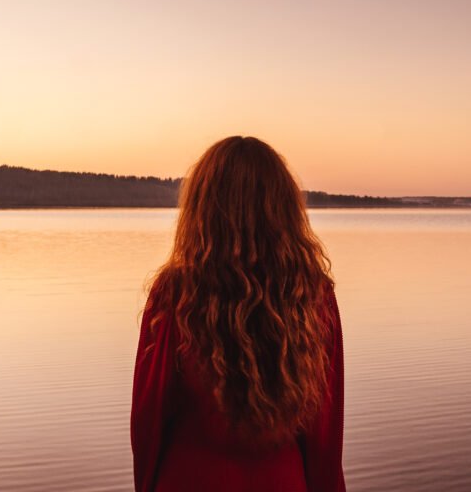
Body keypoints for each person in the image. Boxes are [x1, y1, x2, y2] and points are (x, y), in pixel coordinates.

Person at [130, 136, 345, 492]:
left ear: (202, 208)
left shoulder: (175, 292)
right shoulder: (312, 295)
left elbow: (148, 420)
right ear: (284, 209)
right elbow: (325, 433)